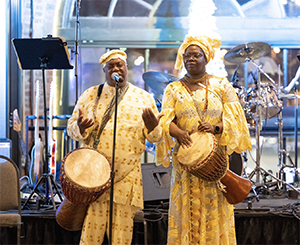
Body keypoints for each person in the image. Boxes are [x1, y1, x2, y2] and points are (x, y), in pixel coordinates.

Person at [156, 35, 252, 245]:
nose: (191, 59)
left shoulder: (221, 85)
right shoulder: (173, 88)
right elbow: (165, 120)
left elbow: (236, 120)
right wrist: (178, 133)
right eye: (187, 55)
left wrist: (216, 128)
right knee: (186, 210)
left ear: (206, 58)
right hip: (185, 165)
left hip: (215, 161)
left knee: (214, 209)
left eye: (196, 55)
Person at [67, 49, 163, 245]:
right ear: (104, 70)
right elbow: (71, 129)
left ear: (127, 68)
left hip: (126, 180)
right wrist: (80, 126)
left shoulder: (143, 98)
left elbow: (156, 137)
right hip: (94, 180)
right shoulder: (90, 95)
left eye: (120, 64)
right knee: (90, 238)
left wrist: (154, 127)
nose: (116, 68)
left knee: (121, 239)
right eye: (111, 66)